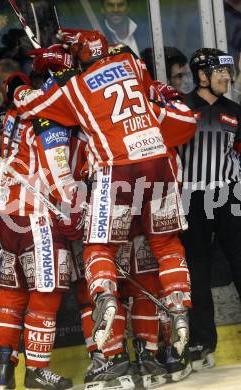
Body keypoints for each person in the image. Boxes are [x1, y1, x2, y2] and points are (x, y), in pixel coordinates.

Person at [12, 30, 197, 376]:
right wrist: (72, 56)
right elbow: (179, 117)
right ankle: (179, 304)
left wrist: (25, 84)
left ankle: (105, 297)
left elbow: (28, 107)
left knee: (99, 247)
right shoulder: (133, 64)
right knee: (167, 243)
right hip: (157, 162)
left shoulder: (74, 89)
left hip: (116, 169)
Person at [0, 69, 80, 390]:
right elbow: (58, 174)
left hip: (6, 213)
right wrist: (75, 212)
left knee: (13, 291)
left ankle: (4, 365)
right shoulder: (49, 117)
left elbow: (15, 86)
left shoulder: (17, 109)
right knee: (46, 291)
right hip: (36, 213)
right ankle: (37, 370)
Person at [179, 47, 241, 371]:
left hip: (230, 196)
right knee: (197, 272)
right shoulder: (182, 109)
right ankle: (203, 341)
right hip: (194, 199)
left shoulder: (235, 110)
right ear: (202, 75)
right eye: (220, 71)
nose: (227, 77)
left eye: (227, 72)